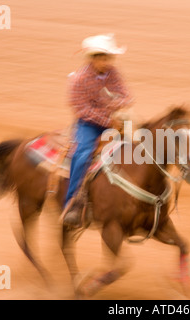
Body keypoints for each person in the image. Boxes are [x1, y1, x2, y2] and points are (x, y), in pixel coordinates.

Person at [62, 34, 133, 227]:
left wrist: (116, 104)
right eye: (103, 57)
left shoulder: (113, 73)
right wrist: (108, 119)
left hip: (113, 120)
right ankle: (72, 203)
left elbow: (126, 95)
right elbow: (81, 109)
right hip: (88, 124)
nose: (107, 62)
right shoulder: (80, 79)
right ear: (93, 58)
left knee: (133, 149)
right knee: (83, 154)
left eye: (109, 57)